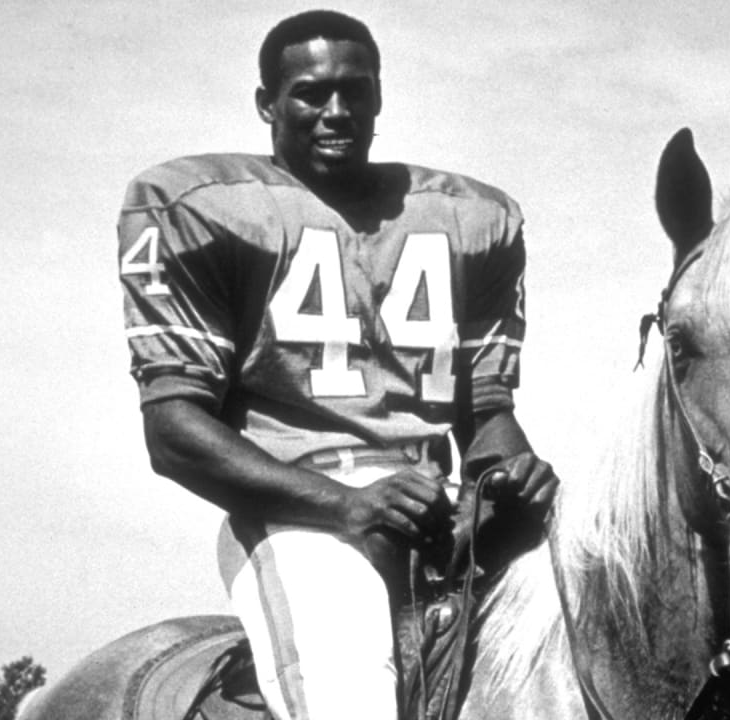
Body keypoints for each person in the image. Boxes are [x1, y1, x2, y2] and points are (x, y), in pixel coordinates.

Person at [117, 10, 558, 720]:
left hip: (435, 515)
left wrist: (513, 477)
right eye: (311, 94)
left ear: (380, 95)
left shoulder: (473, 219)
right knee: (350, 694)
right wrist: (349, 505)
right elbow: (173, 432)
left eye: (356, 90)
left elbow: (485, 416)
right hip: (300, 522)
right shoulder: (199, 205)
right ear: (267, 104)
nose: (336, 110)